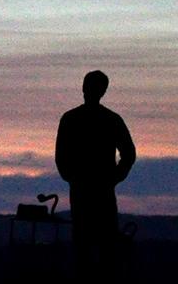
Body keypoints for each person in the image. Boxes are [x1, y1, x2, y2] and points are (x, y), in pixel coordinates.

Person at [55, 70, 136, 277]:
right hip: (87, 190)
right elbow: (61, 156)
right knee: (86, 243)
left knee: (101, 244)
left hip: (97, 190)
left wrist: (113, 178)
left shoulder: (85, 119)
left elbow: (128, 153)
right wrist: (74, 178)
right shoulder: (76, 119)